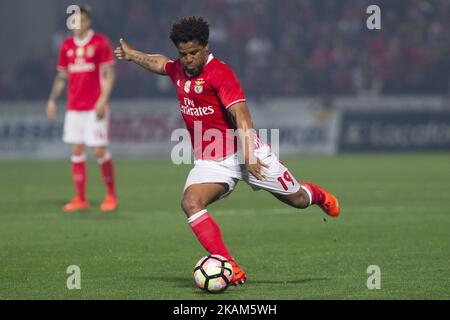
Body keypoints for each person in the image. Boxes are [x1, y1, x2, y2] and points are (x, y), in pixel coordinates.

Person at [115, 16, 340, 285]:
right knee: (190, 203)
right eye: (183, 54)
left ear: (206, 46)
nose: (188, 59)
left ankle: (315, 194)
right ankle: (229, 265)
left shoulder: (220, 73)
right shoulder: (178, 69)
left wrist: (248, 154)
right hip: (211, 161)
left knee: (297, 200)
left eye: (194, 53)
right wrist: (132, 55)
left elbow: (242, 116)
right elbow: (159, 63)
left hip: (245, 153)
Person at [46, 5, 118, 212]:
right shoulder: (66, 45)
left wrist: (103, 99)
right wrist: (52, 99)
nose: (77, 24)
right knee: (76, 149)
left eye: (81, 20)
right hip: (74, 107)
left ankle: (111, 196)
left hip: (95, 106)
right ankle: (80, 199)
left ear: (88, 22)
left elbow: (110, 73)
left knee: (99, 150)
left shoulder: (100, 42)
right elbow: (62, 75)